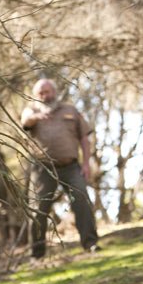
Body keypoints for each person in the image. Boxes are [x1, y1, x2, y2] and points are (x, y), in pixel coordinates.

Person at [20, 78, 100, 258]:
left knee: (81, 200)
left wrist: (86, 163)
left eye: (47, 91)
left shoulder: (70, 110)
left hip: (71, 167)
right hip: (43, 168)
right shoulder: (31, 110)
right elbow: (25, 122)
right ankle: (37, 255)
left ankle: (90, 244)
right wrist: (36, 117)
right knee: (39, 208)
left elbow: (84, 138)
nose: (44, 95)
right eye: (40, 93)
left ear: (54, 92)